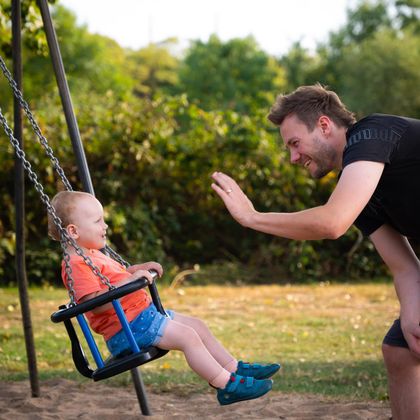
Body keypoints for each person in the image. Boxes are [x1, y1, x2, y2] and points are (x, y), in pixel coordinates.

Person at [211, 84, 420, 419]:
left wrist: (252, 217)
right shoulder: (359, 189)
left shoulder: (372, 134)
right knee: (400, 349)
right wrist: (412, 309)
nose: (293, 157)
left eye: (295, 143)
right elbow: (404, 266)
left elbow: (331, 223)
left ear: (324, 125)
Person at [48, 190, 279, 406]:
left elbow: (118, 277)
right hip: (127, 329)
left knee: (197, 325)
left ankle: (234, 368)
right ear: (73, 231)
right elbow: (95, 303)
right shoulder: (76, 264)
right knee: (188, 337)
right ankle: (226, 385)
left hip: (141, 318)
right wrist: (130, 281)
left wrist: (139, 269)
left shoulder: (92, 255)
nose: (105, 225)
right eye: (98, 221)